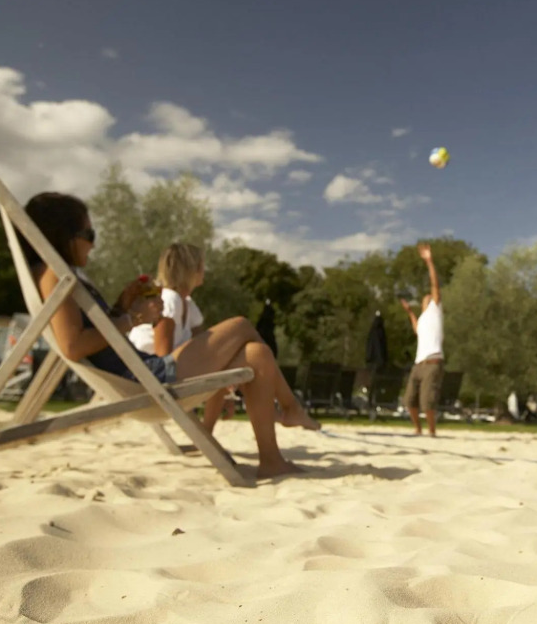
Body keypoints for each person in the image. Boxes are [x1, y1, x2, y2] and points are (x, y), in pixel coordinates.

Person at [21, 192, 319, 478]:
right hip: (147, 377)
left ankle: (271, 461)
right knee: (241, 325)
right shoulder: (53, 276)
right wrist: (134, 318)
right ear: (64, 235)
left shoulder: (53, 274)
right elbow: (73, 345)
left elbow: (95, 335)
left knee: (258, 354)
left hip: (141, 373)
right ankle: (290, 407)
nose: (93, 244)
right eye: (89, 234)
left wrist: (121, 306)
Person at [128, 243, 234, 433]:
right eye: (201, 265)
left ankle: (204, 436)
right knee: (239, 331)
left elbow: (206, 347)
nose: (204, 270)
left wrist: (222, 385)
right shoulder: (170, 299)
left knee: (221, 359)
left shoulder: (187, 304)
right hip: (147, 377)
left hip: (159, 370)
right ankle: (205, 436)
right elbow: (162, 355)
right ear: (190, 270)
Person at [399, 242, 444, 436]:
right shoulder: (424, 318)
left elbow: (434, 284)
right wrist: (410, 312)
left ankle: (432, 432)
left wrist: (429, 261)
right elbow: (417, 329)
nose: (426, 297)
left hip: (432, 362)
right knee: (409, 400)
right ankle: (418, 430)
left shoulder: (435, 310)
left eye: (428, 296)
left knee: (427, 402)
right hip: (418, 364)